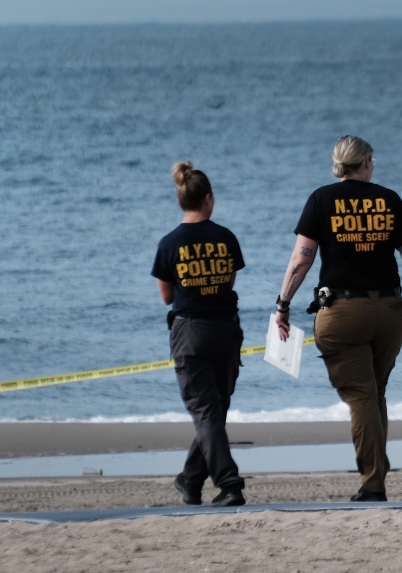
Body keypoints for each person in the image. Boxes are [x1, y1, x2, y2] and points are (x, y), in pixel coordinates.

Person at [275, 135, 402, 502]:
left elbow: (301, 260)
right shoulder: (388, 199)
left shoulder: (321, 199)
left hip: (342, 313)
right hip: (389, 312)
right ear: (365, 162)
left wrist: (282, 304)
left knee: (362, 397)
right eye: (373, 160)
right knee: (374, 392)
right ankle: (376, 473)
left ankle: (373, 484)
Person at [151, 161, 246, 507]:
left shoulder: (168, 244)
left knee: (207, 412)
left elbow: (166, 298)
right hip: (226, 328)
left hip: (190, 332)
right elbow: (228, 282)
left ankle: (229, 483)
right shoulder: (226, 238)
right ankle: (190, 480)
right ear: (208, 198)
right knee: (214, 411)